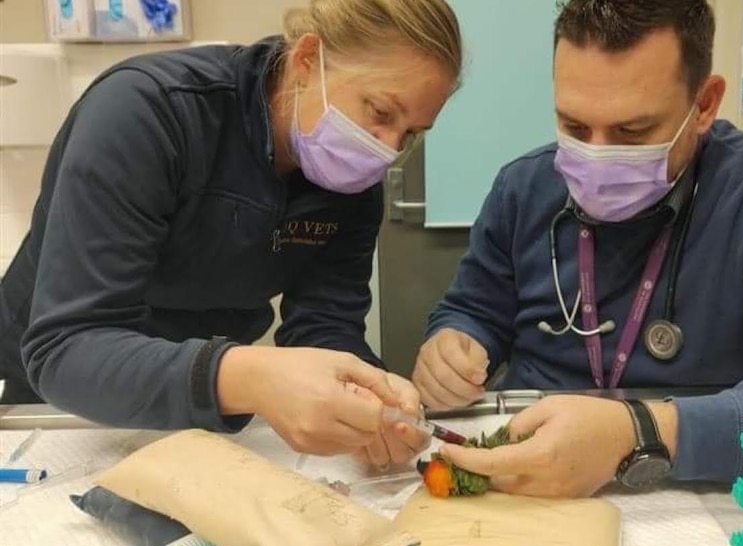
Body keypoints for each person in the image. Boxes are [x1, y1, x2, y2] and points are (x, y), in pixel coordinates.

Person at [413, 0, 743, 497]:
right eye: (575, 127)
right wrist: (453, 343)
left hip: (696, 494)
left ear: (705, 104)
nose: (598, 157)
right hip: (525, 478)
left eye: (632, 131)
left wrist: (646, 433)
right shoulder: (522, 189)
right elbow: (474, 309)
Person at [0, 0, 462, 469]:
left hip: (199, 400)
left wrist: (371, 397)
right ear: (306, 60)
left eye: (410, 135)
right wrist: (248, 375)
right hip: (58, 410)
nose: (385, 153)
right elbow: (67, 349)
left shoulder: (354, 186)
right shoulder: (146, 112)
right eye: (381, 111)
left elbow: (325, 327)